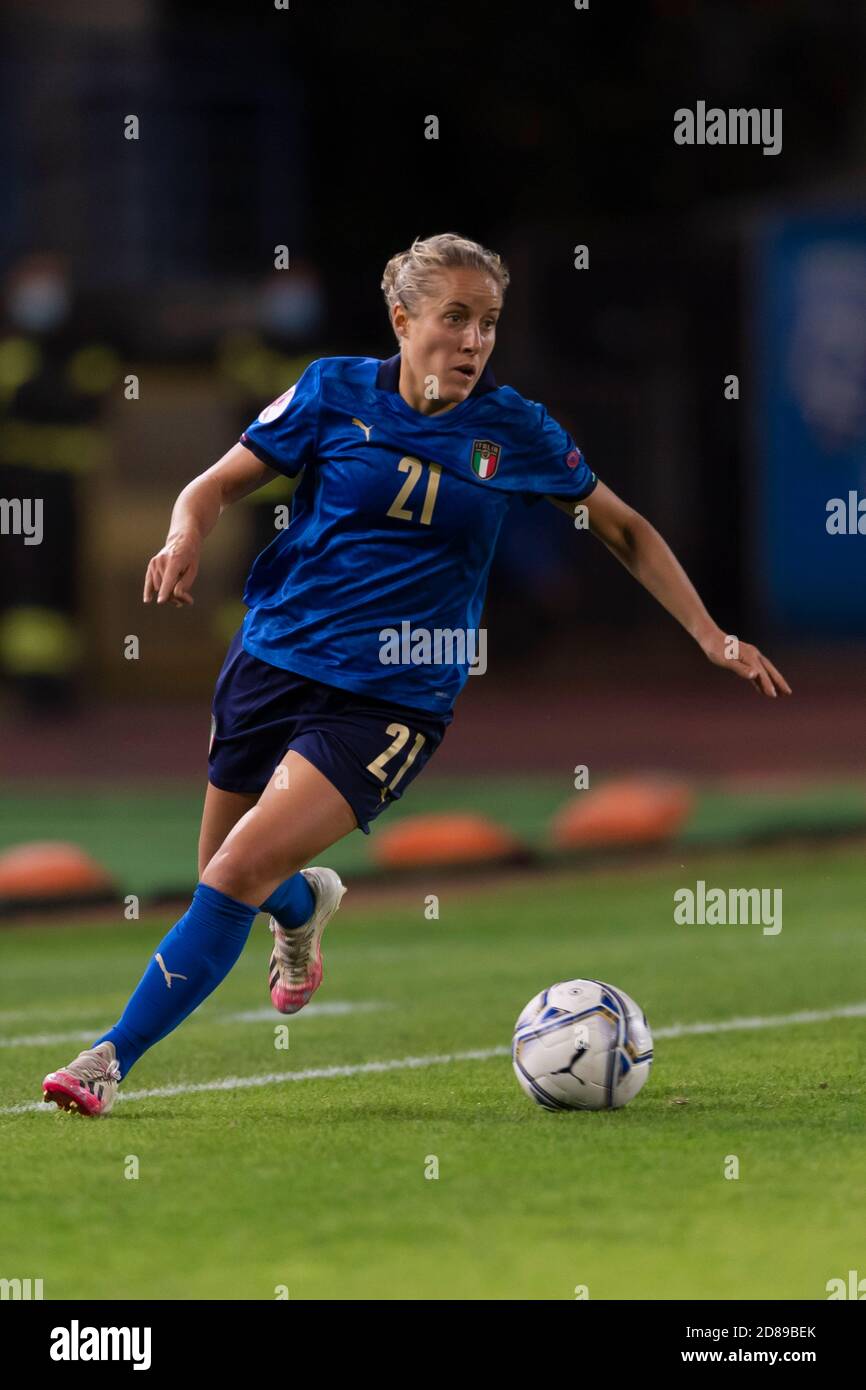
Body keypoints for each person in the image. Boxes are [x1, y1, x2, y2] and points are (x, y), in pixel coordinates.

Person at [41, 232, 791, 1117]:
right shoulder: (331, 391)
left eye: (490, 324)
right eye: (456, 319)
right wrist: (182, 534)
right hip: (273, 658)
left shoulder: (515, 429)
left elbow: (622, 527)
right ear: (403, 320)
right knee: (224, 870)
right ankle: (303, 909)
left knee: (231, 871)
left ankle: (104, 1062)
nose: (474, 342)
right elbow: (208, 488)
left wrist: (708, 633)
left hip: (395, 697)